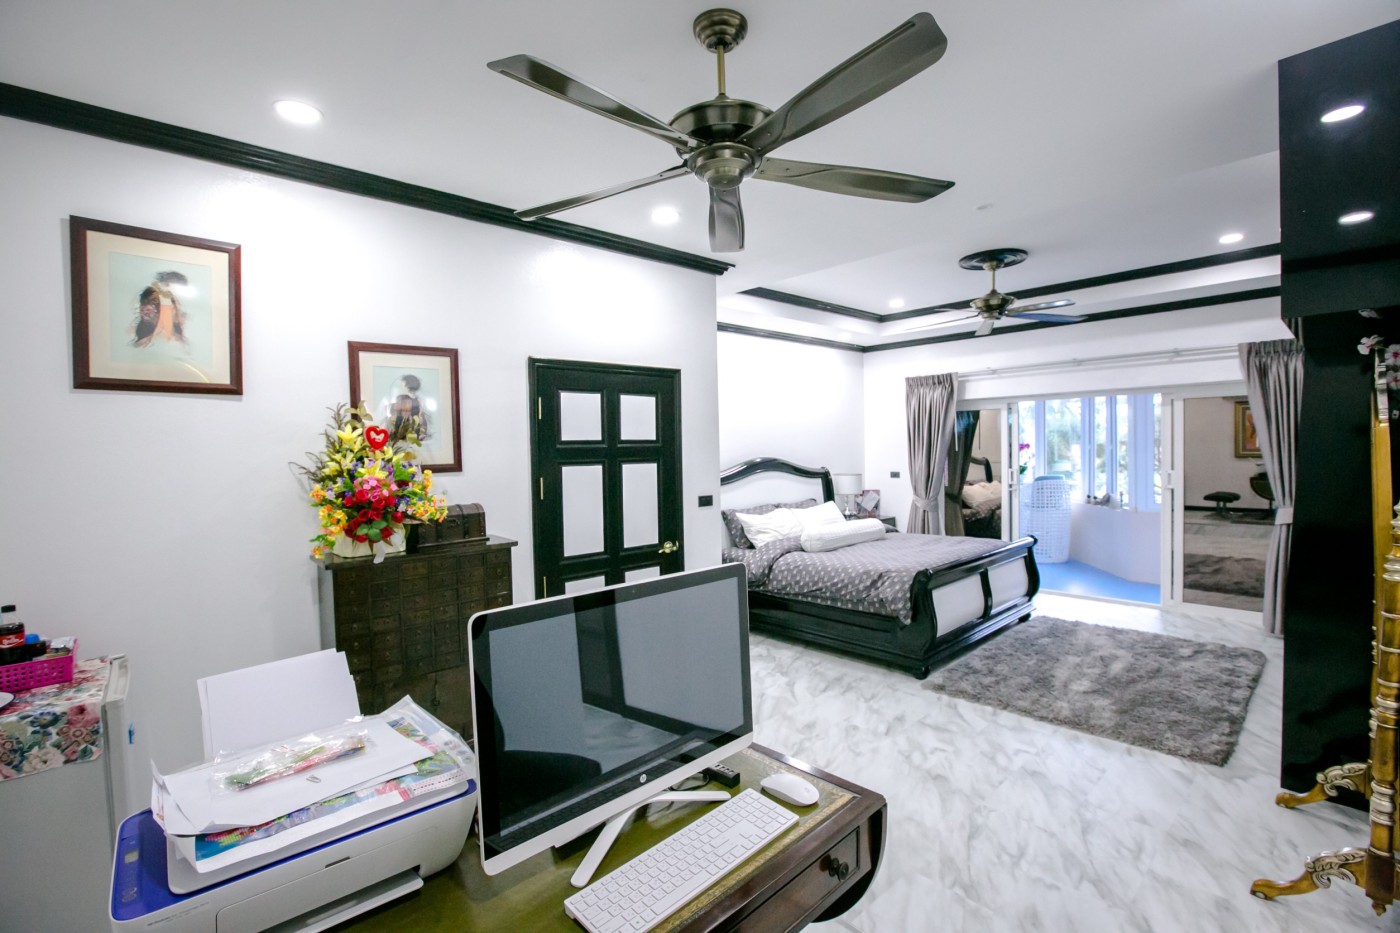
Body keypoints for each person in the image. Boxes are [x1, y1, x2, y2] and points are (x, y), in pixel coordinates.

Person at [132, 271, 189, 348]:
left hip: (167, 335)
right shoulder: (151, 293)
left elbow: (176, 317)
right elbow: (145, 315)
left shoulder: (172, 299)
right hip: (152, 335)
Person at [388, 374, 432, 442]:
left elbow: (419, 413)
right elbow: (396, 411)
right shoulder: (401, 398)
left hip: (412, 423)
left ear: (407, 385)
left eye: (403, 383)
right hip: (402, 422)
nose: (401, 385)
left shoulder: (416, 400)